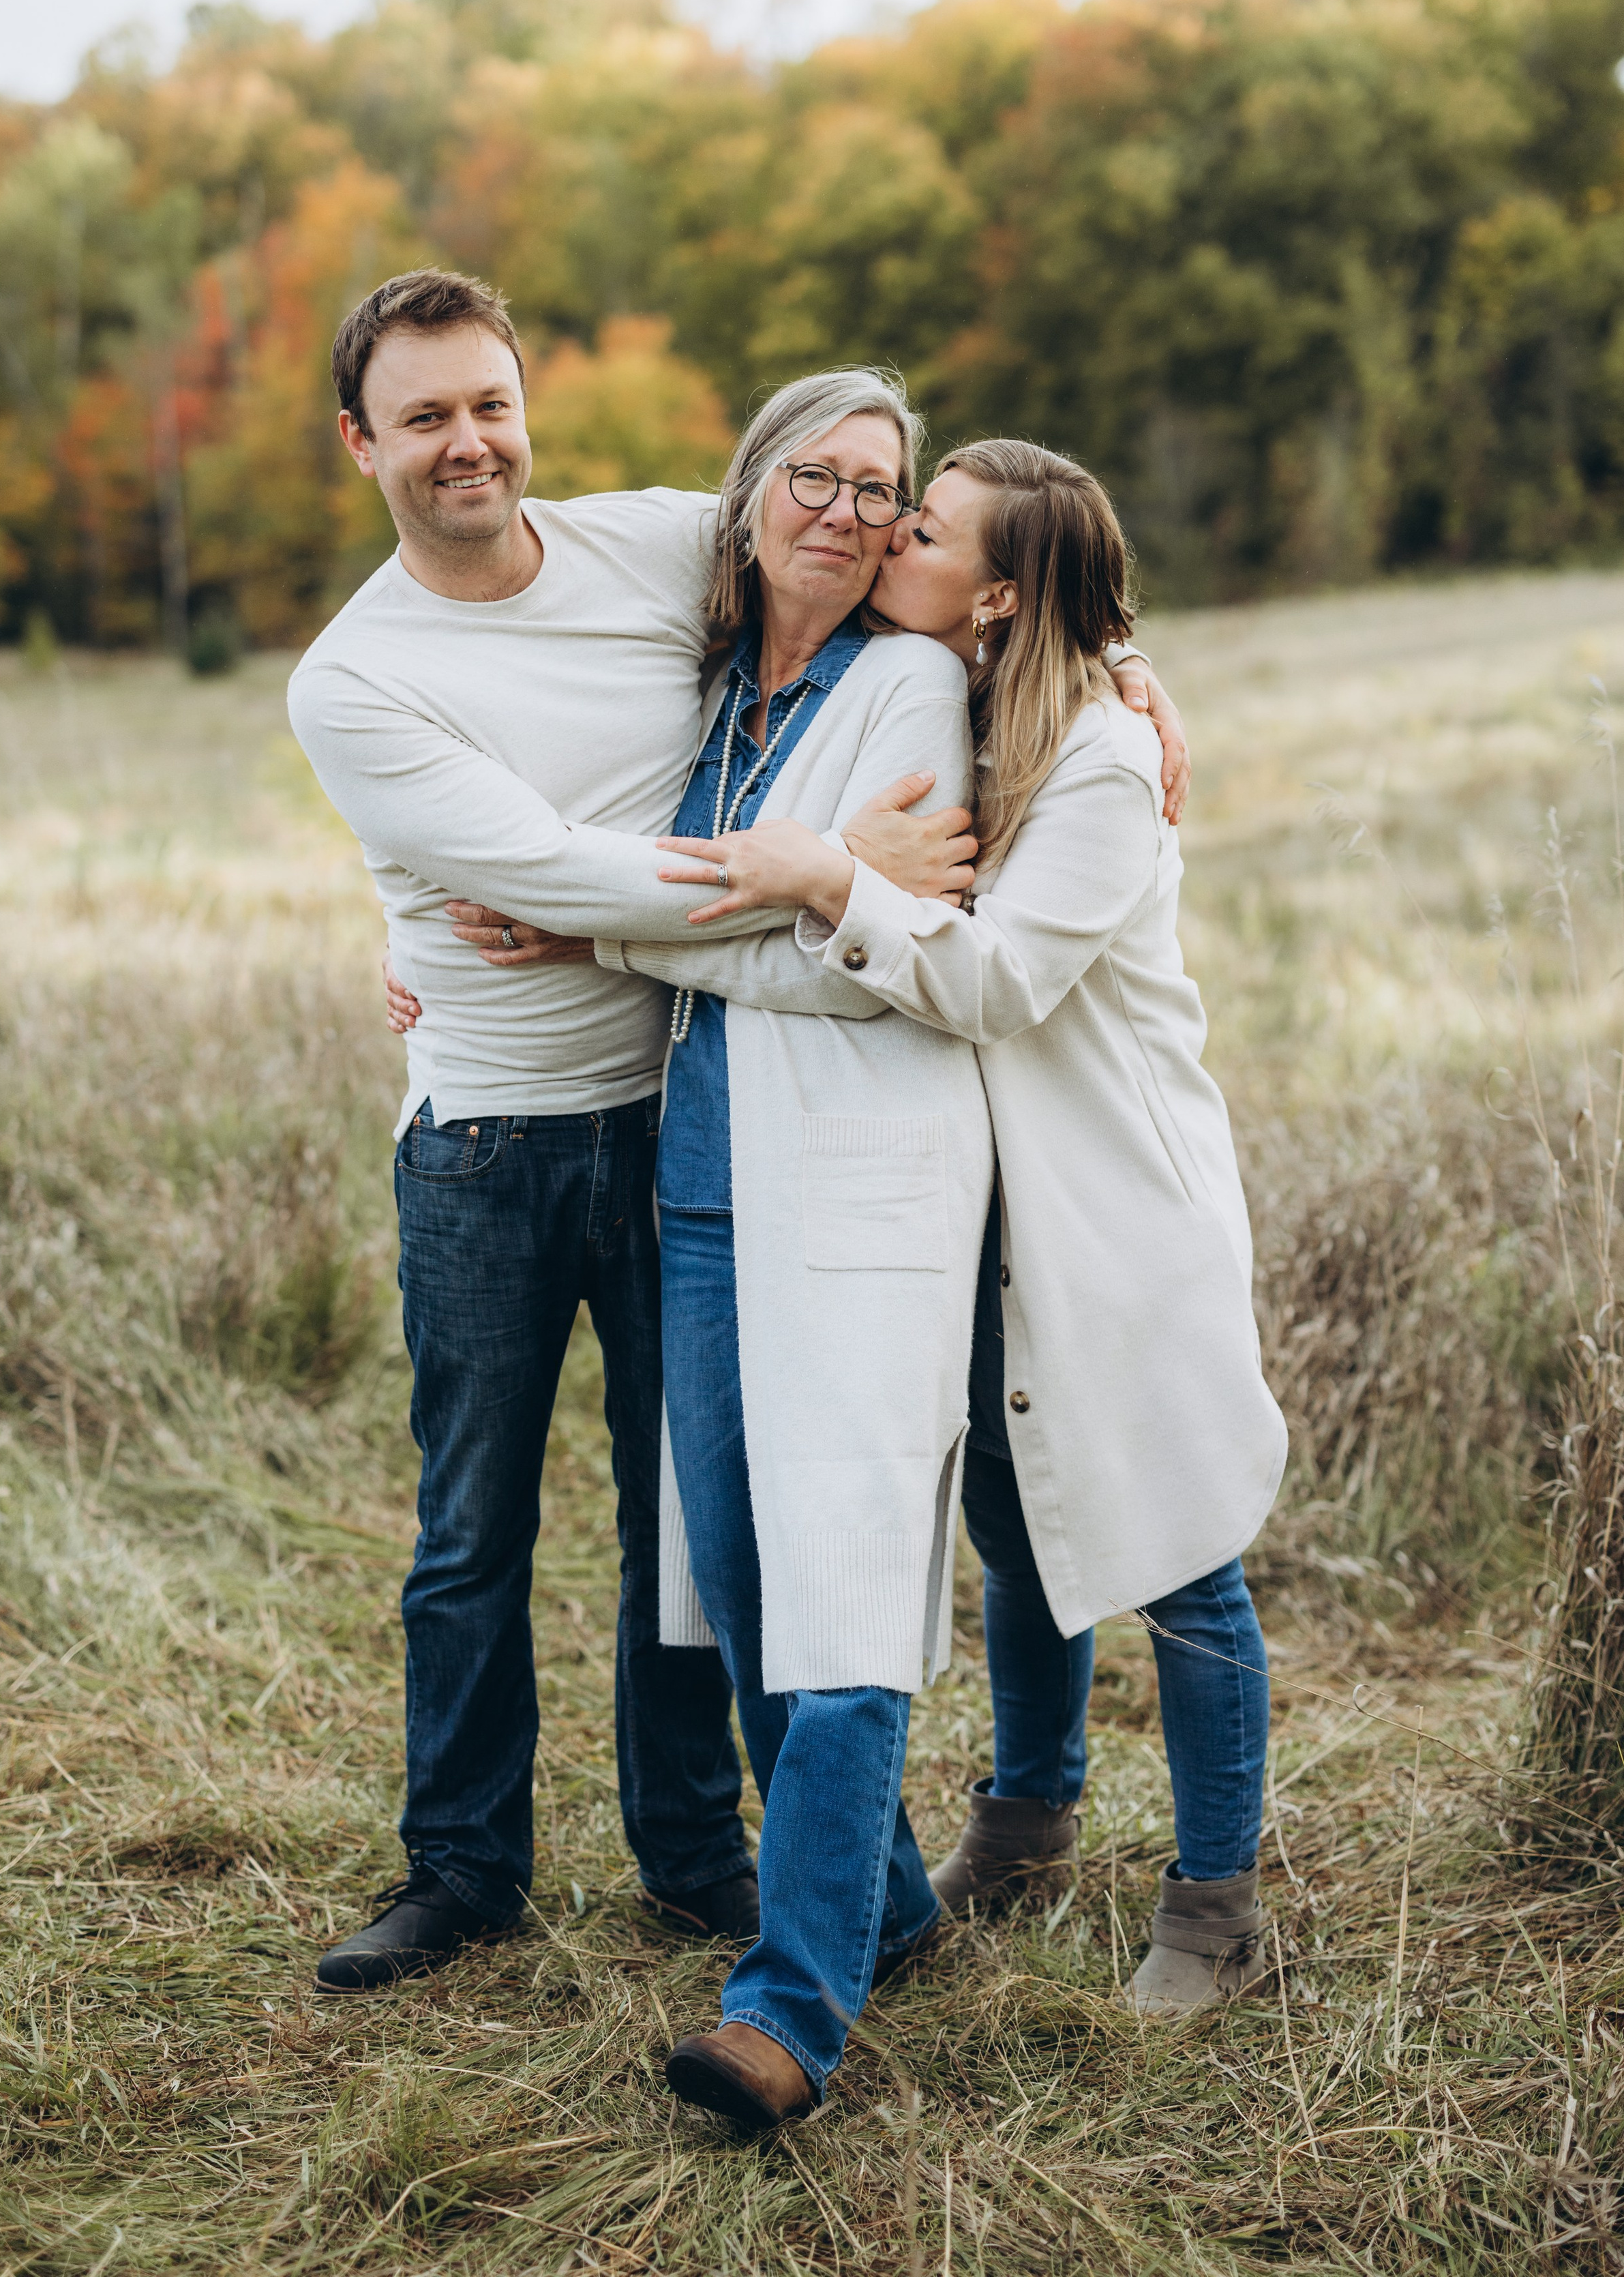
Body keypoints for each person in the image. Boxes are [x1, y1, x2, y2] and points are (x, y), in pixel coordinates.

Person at [290, 270, 1180, 1994]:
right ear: (359, 442)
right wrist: (824, 878)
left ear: (526, 410)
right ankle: (461, 1868)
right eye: (423, 417)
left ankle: (694, 1849)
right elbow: (546, 875)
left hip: (674, 1116)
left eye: (489, 404)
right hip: (485, 1131)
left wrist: (1122, 658)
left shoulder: (650, 542)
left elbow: (905, 537)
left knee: (686, 1526)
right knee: (471, 1527)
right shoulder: (353, 677)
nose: (467, 442)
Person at [651, 437, 1288, 2020]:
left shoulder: (1100, 761)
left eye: (923, 531)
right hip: (980, 1213)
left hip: (1115, 1210)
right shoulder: (967, 706)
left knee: (1179, 1556)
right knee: (1014, 1528)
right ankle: (1022, 1824)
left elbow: (998, 982)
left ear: (997, 593)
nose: (887, 538)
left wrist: (823, 879)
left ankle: (1215, 1907)